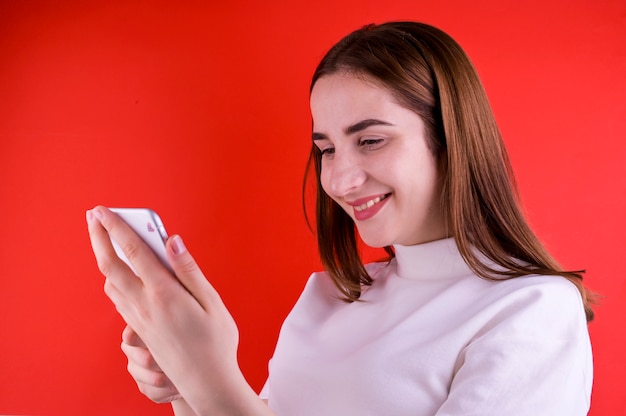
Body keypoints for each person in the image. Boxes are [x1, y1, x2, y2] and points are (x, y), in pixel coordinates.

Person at [86, 21, 594, 415]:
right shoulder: (329, 296)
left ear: (451, 140)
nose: (340, 180)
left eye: (370, 140)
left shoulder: (531, 310)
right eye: (325, 148)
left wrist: (211, 378)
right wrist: (185, 383)